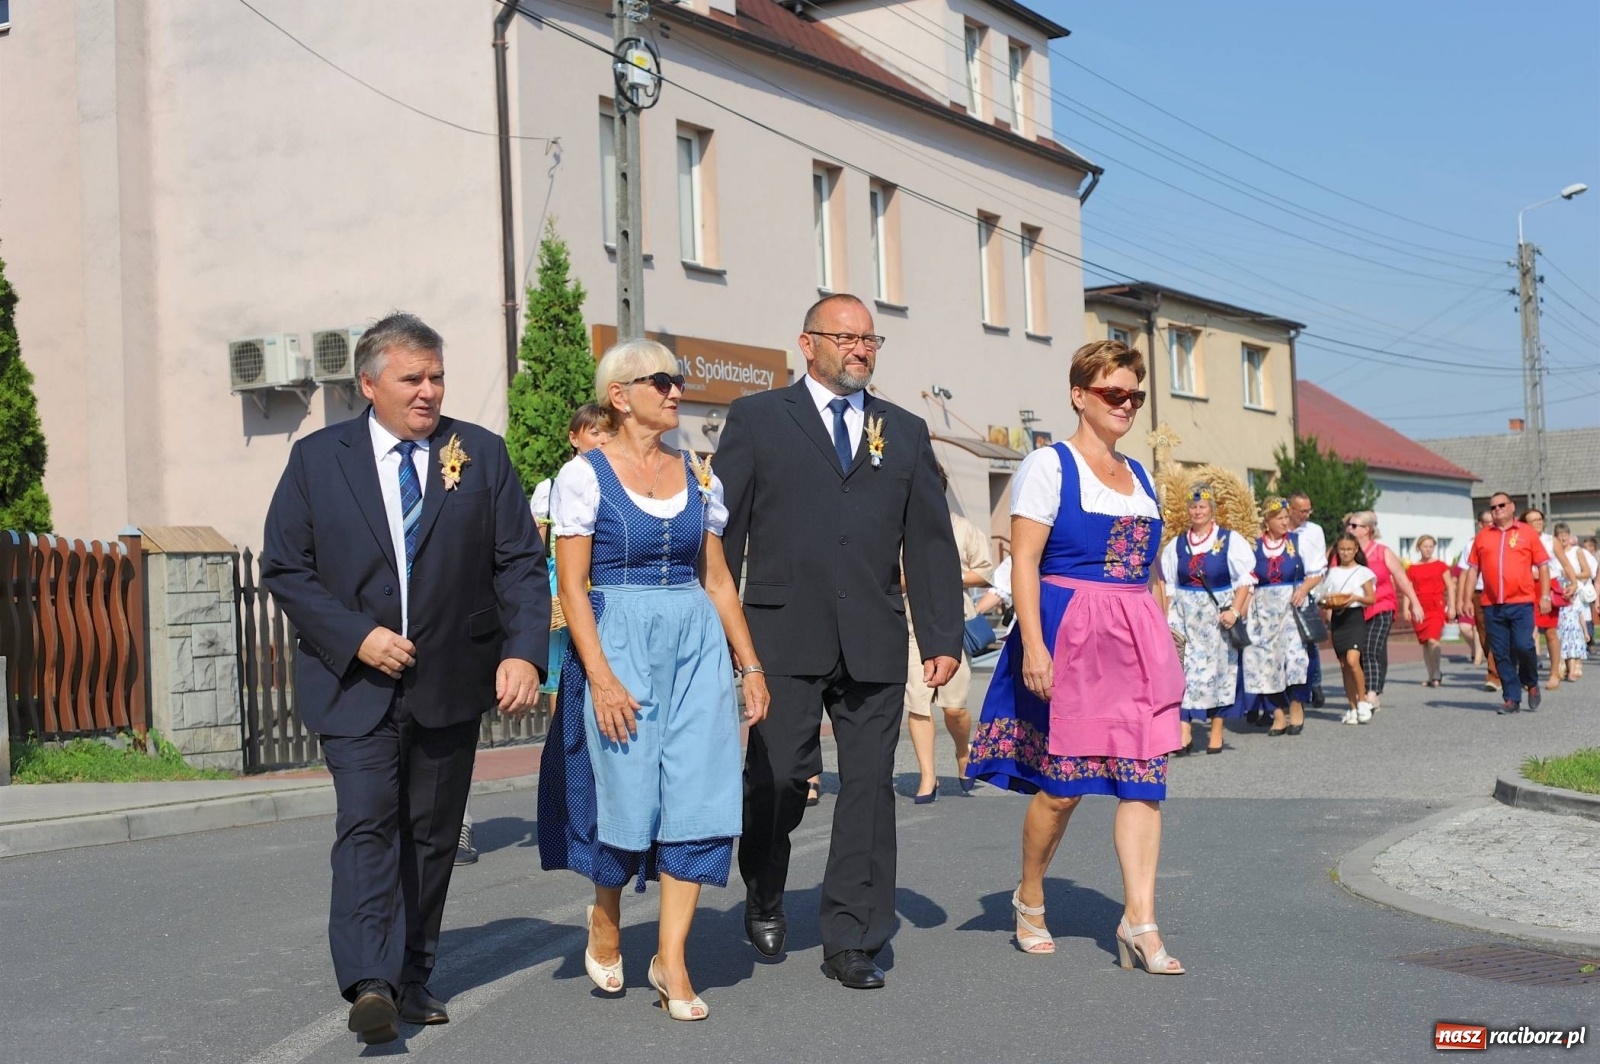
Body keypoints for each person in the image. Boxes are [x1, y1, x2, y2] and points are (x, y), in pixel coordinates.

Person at [261, 313, 549, 1044]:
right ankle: (371, 982)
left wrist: (523, 652)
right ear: (368, 384)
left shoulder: (479, 453)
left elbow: (519, 561)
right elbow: (286, 568)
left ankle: (413, 975)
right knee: (367, 823)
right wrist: (356, 636)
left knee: (431, 834)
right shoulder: (317, 460)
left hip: (451, 679)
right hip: (352, 685)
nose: (428, 391)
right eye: (412, 378)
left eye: (437, 377)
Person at [718, 293, 962, 990]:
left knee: (869, 787)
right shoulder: (758, 419)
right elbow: (721, 535)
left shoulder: (904, 431)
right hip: (781, 633)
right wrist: (721, 635)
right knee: (778, 777)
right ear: (808, 343)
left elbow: (930, 540)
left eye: (870, 340)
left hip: (873, 636)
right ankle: (765, 882)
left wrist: (941, 633)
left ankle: (853, 937)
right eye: (846, 337)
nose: (861, 349)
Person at [537, 340, 770, 1021]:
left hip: (695, 644)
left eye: (679, 380)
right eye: (662, 381)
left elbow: (718, 581)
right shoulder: (583, 477)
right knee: (625, 788)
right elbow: (573, 588)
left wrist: (749, 665)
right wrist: (602, 679)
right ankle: (606, 914)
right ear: (619, 396)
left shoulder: (698, 474)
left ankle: (672, 959)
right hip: (619, 639)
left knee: (701, 791)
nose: (676, 391)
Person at [966, 339, 1186, 972]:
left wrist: (1163, 635)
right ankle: (1031, 895)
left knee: (1143, 783)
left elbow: (1151, 572)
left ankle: (1140, 922)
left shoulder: (1141, 476)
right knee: (1062, 790)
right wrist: (1033, 646)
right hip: (1071, 635)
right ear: (1079, 395)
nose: (1126, 405)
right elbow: (1024, 562)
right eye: (1114, 393)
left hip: (1135, 640)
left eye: (1134, 396)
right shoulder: (1049, 465)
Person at [904, 465, 995, 801]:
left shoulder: (962, 528)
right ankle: (928, 777)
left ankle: (962, 751)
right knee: (918, 702)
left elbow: (985, 573)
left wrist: (945, 574)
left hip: (952, 623)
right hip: (911, 626)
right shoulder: (901, 529)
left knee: (954, 708)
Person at [1158, 487, 1255, 754]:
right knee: (1183, 669)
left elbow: (1246, 578)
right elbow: (1169, 586)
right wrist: (1166, 620)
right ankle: (1184, 730)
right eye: (1193, 506)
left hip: (1216, 618)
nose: (1197, 511)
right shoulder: (1177, 544)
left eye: (1202, 506)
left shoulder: (1229, 539)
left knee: (1219, 672)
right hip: (1185, 615)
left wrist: (1235, 611)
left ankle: (1216, 730)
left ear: (1212, 509)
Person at [1459, 492, 1551, 715]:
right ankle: (1511, 698)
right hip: (1492, 604)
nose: (1497, 509)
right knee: (1500, 652)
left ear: (1512, 507)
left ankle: (1530, 681)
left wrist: (1545, 596)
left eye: (1501, 505)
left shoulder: (1526, 533)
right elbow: (1473, 570)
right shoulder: (1483, 536)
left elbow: (1543, 565)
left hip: (1521, 601)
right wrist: (1467, 598)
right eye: (1493, 507)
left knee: (1523, 645)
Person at [1242, 497, 1313, 736]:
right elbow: (1246, 581)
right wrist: (1242, 610)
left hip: (1292, 608)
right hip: (1262, 611)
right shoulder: (1253, 546)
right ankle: (1278, 713)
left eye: (1286, 517)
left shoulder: (1297, 542)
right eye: (1279, 518)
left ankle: (1296, 706)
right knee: (1264, 662)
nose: (1285, 522)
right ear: (1267, 520)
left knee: (1295, 660)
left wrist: (1303, 589)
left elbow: (1317, 572)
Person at [1345, 512, 1424, 712]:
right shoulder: (1346, 552)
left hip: (1382, 606)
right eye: (1348, 525)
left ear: (1367, 530)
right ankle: (1365, 690)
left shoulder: (1382, 552)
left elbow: (1401, 578)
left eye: (1353, 526)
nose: (1349, 529)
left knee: (1371, 649)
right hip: (1356, 608)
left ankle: (1371, 694)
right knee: (1358, 652)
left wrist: (1415, 603)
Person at [1321, 533, 1377, 723]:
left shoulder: (1363, 572)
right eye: (1342, 549)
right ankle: (1352, 707)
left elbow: (1371, 598)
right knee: (1344, 665)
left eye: (1349, 549)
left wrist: (1355, 597)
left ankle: (1362, 701)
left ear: (1355, 550)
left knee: (1353, 661)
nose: (1345, 553)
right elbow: (1325, 596)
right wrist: (1326, 602)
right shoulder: (1332, 572)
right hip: (1338, 618)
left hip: (1354, 617)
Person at [1285, 492, 1328, 706]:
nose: (1306, 515)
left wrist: (1304, 589)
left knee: (1307, 637)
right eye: (1302, 511)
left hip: (1305, 586)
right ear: (1290, 509)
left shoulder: (1314, 531)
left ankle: (1314, 683)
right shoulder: (1279, 529)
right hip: (1280, 587)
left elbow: (1319, 567)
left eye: (1308, 510)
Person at [1520, 509, 1565, 690]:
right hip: (1527, 587)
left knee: (1550, 632)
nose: (1538, 522)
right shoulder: (1519, 540)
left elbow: (1565, 563)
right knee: (1526, 634)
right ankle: (1528, 674)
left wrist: (1573, 583)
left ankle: (1554, 672)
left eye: (1540, 519)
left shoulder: (1550, 540)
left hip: (1549, 585)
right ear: (1525, 524)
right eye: (1533, 520)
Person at [1408, 535, 1455, 687]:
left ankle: (1436, 672)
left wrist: (1452, 606)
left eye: (1430, 546)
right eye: (1425, 546)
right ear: (1419, 548)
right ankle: (1431, 674)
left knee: (1433, 639)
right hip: (1419, 607)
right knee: (1425, 642)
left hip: (1435, 606)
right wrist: (1406, 607)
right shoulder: (1413, 568)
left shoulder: (1441, 566)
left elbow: (1450, 586)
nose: (1428, 549)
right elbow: (1408, 588)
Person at [1551, 522, 1591, 682]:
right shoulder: (1553, 552)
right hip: (1557, 593)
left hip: (1574, 592)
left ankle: (1575, 663)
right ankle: (1561, 663)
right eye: (1560, 535)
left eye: (1566, 535)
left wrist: (1571, 575)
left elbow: (1587, 572)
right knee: (1560, 629)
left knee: (1575, 628)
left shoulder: (1577, 551)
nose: (1563, 538)